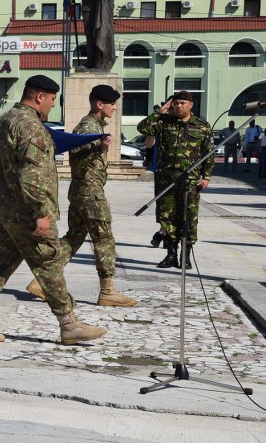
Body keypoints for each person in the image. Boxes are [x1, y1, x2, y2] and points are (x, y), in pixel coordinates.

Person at [0, 75, 106, 345]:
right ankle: (69, 324)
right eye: (52, 99)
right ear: (39, 97)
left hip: (4, 208)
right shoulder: (31, 126)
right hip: (27, 212)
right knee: (49, 263)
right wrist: (41, 212)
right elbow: (32, 176)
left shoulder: (3, 120)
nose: (52, 105)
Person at [27, 84, 136, 308]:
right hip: (89, 192)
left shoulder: (94, 125)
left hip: (83, 191)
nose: (115, 108)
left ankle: (42, 281)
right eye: (111, 104)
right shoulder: (89, 126)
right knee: (104, 239)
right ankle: (107, 291)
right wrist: (99, 146)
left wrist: (100, 148)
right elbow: (77, 150)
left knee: (73, 238)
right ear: (99, 104)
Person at [138, 91, 214, 269]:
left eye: (182, 103)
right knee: (167, 217)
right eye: (176, 103)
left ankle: (185, 255)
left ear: (190, 105)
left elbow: (208, 154)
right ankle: (170, 254)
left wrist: (206, 178)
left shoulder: (202, 126)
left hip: (190, 181)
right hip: (166, 180)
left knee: (188, 217)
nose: (179, 106)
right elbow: (143, 129)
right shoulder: (164, 123)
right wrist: (159, 112)